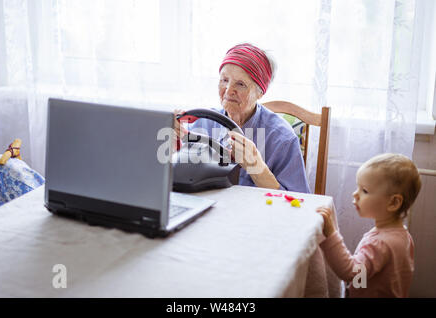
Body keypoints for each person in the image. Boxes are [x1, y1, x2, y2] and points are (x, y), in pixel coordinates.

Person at [174, 43, 310, 192]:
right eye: (224, 80)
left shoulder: (283, 139)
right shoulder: (204, 122)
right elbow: (181, 179)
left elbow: (298, 203)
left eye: (240, 84)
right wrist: (175, 142)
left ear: (260, 93)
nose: (229, 90)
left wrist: (256, 167)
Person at [316, 153, 421, 297]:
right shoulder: (403, 235)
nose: (355, 194)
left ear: (394, 203)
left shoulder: (380, 243)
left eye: (364, 190)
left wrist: (331, 233)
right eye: (358, 187)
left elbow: (350, 271)